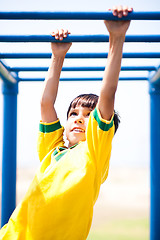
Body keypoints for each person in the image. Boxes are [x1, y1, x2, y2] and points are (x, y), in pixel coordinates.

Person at [0, 6, 133, 240]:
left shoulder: (94, 152)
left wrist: (116, 38)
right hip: (14, 234)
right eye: (74, 113)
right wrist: (58, 55)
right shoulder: (52, 150)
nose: (80, 118)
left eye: (88, 114)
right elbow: (46, 103)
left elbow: (108, 95)